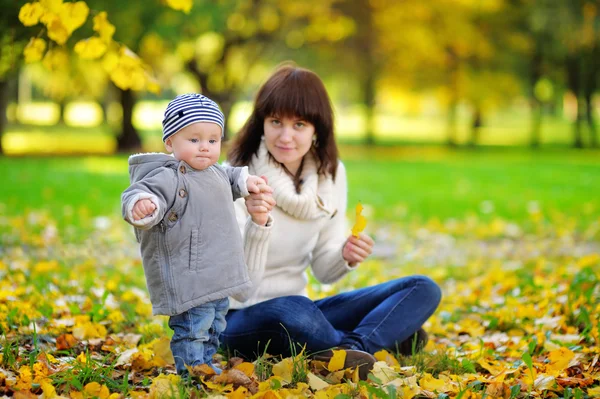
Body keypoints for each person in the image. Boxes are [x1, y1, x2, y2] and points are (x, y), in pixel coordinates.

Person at [222, 64, 442, 379]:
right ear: (261, 124)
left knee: (422, 288)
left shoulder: (331, 175)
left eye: (299, 124)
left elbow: (324, 270)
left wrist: (344, 255)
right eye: (275, 122)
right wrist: (259, 224)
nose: (286, 137)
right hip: (238, 317)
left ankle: (351, 349)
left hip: (304, 309)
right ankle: (377, 341)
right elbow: (240, 288)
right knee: (294, 311)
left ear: (317, 130)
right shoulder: (234, 177)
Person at [121, 93, 273, 376]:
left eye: (213, 140)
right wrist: (143, 205)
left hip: (216, 275)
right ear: (170, 142)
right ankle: (192, 373)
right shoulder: (169, 176)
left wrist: (247, 181)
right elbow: (140, 192)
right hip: (189, 276)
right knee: (193, 327)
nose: (205, 148)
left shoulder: (214, 172)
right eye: (194, 140)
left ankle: (206, 363)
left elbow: (230, 178)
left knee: (215, 324)